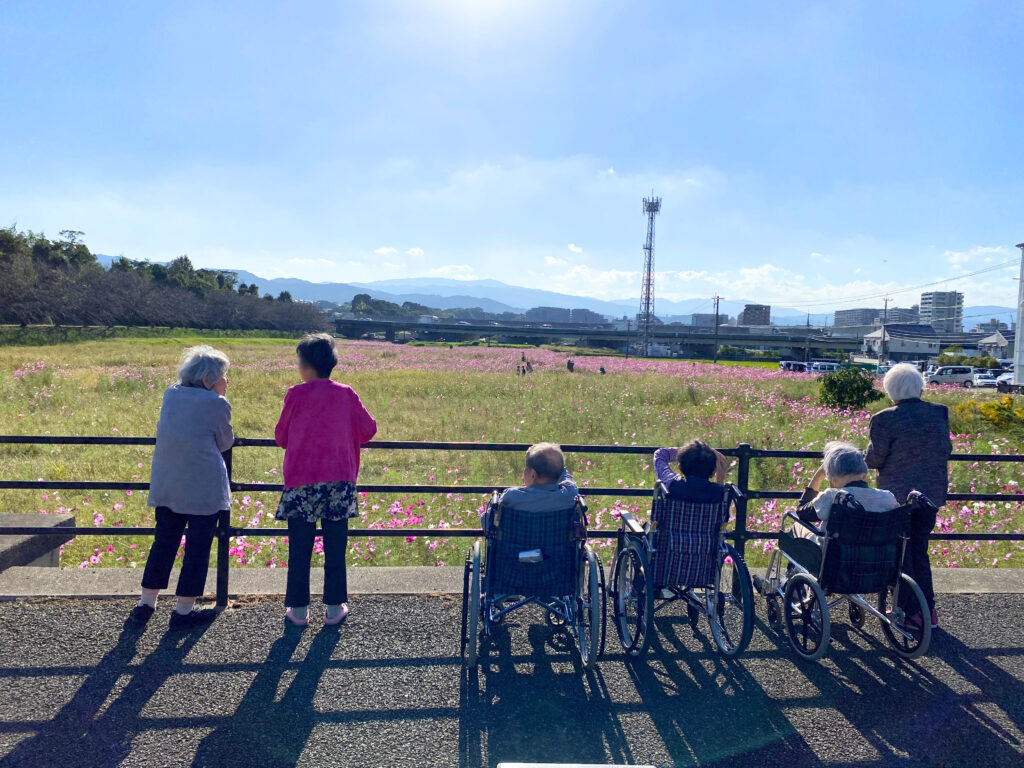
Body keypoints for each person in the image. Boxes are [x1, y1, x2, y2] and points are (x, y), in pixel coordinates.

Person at [275, 333, 377, 627]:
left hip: (301, 481)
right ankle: (334, 608)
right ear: (331, 364)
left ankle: (297, 610)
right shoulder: (346, 393)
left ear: (306, 366)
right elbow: (368, 429)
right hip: (339, 481)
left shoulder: (296, 394)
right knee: (335, 546)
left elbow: (281, 436)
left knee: (299, 547)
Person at [130, 345, 233, 629]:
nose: (226, 381)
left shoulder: (170, 394)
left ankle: (145, 604)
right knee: (198, 547)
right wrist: (221, 399)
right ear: (207, 380)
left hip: (168, 482)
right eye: (223, 376)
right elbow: (225, 442)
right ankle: (183, 612)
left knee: (164, 542)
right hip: (203, 486)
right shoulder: (217, 403)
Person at [865, 363, 952, 629]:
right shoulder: (939, 413)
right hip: (931, 495)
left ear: (890, 389)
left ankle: (911, 612)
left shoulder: (884, 418)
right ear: (920, 386)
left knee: (900, 554)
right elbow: (945, 448)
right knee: (919, 551)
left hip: (897, 499)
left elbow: (874, 459)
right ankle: (928, 612)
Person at [793, 441, 899, 541]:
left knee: (798, 526)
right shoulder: (887, 498)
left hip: (833, 557)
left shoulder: (833, 497)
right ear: (864, 476)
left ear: (832, 480)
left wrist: (820, 474)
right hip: (877, 557)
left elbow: (802, 513)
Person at [500, 443, 578, 511]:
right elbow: (567, 478)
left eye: (526, 468)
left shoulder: (512, 497)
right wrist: (557, 465)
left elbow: (491, 517)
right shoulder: (569, 494)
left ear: (533, 474)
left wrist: (529, 458)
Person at [653, 441, 730, 501]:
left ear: (680, 468)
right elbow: (721, 515)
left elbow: (660, 454)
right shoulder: (719, 493)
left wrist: (690, 452)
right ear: (713, 472)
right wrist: (720, 478)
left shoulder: (670, 484)